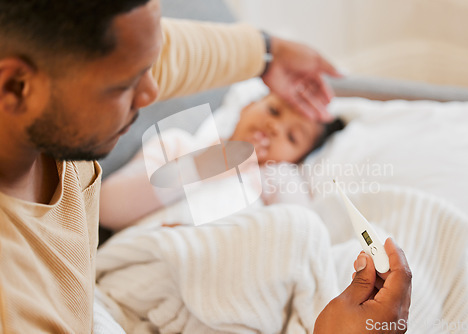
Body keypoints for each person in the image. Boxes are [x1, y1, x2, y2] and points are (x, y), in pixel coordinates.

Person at [0, 0, 411, 332]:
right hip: (156, 267)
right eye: (126, 84)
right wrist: (213, 161)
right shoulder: (19, 298)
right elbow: (115, 206)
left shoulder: (276, 180)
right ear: (15, 87)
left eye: (291, 137)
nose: (152, 92)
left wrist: (268, 52)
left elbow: (298, 239)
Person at [99, 92, 346, 230]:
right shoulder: (177, 145)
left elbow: (302, 233)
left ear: (297, 159)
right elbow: (106, 209)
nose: (274, 127)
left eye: (292, 137)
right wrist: (202, 165)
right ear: (247, 106)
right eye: (273, 111)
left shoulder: (275, 177)